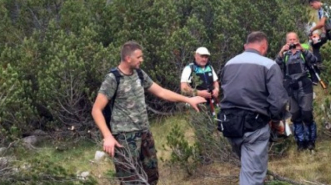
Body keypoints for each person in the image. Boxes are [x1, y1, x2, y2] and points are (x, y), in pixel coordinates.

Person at [91, 41, 206, 185]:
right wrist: (107, 136)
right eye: (139, 57)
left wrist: (188, 100)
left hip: (144, 134)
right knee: (129, 181)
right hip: (125, 138)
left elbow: (161, 92)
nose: (142, 60)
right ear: (128, 58)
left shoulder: (139, 74)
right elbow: (96, 110)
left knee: (151, 177)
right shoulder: (113, 78)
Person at [219, 31, 288, 185]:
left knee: (248, 168)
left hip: (229, 124)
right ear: (264, 47)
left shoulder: (229, 63)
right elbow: (277, 101)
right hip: (254, 126)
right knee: (253, 177)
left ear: (246, 46)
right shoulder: (269, 65)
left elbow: (226, 92)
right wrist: (276, 123)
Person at [276, 32, 318, 151]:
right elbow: (275, 66)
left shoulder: (304, 50)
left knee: (307, 113)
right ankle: (300, 141)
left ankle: (311, 140)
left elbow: (314, 60)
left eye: (294, 39)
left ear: (298, 40)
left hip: (304, 85)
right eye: (290, 39)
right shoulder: (285, 54)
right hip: (290, 87)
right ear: (286, 41)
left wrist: (303, 50)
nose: (292, 41)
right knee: (295, 115)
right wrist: (280, 53)